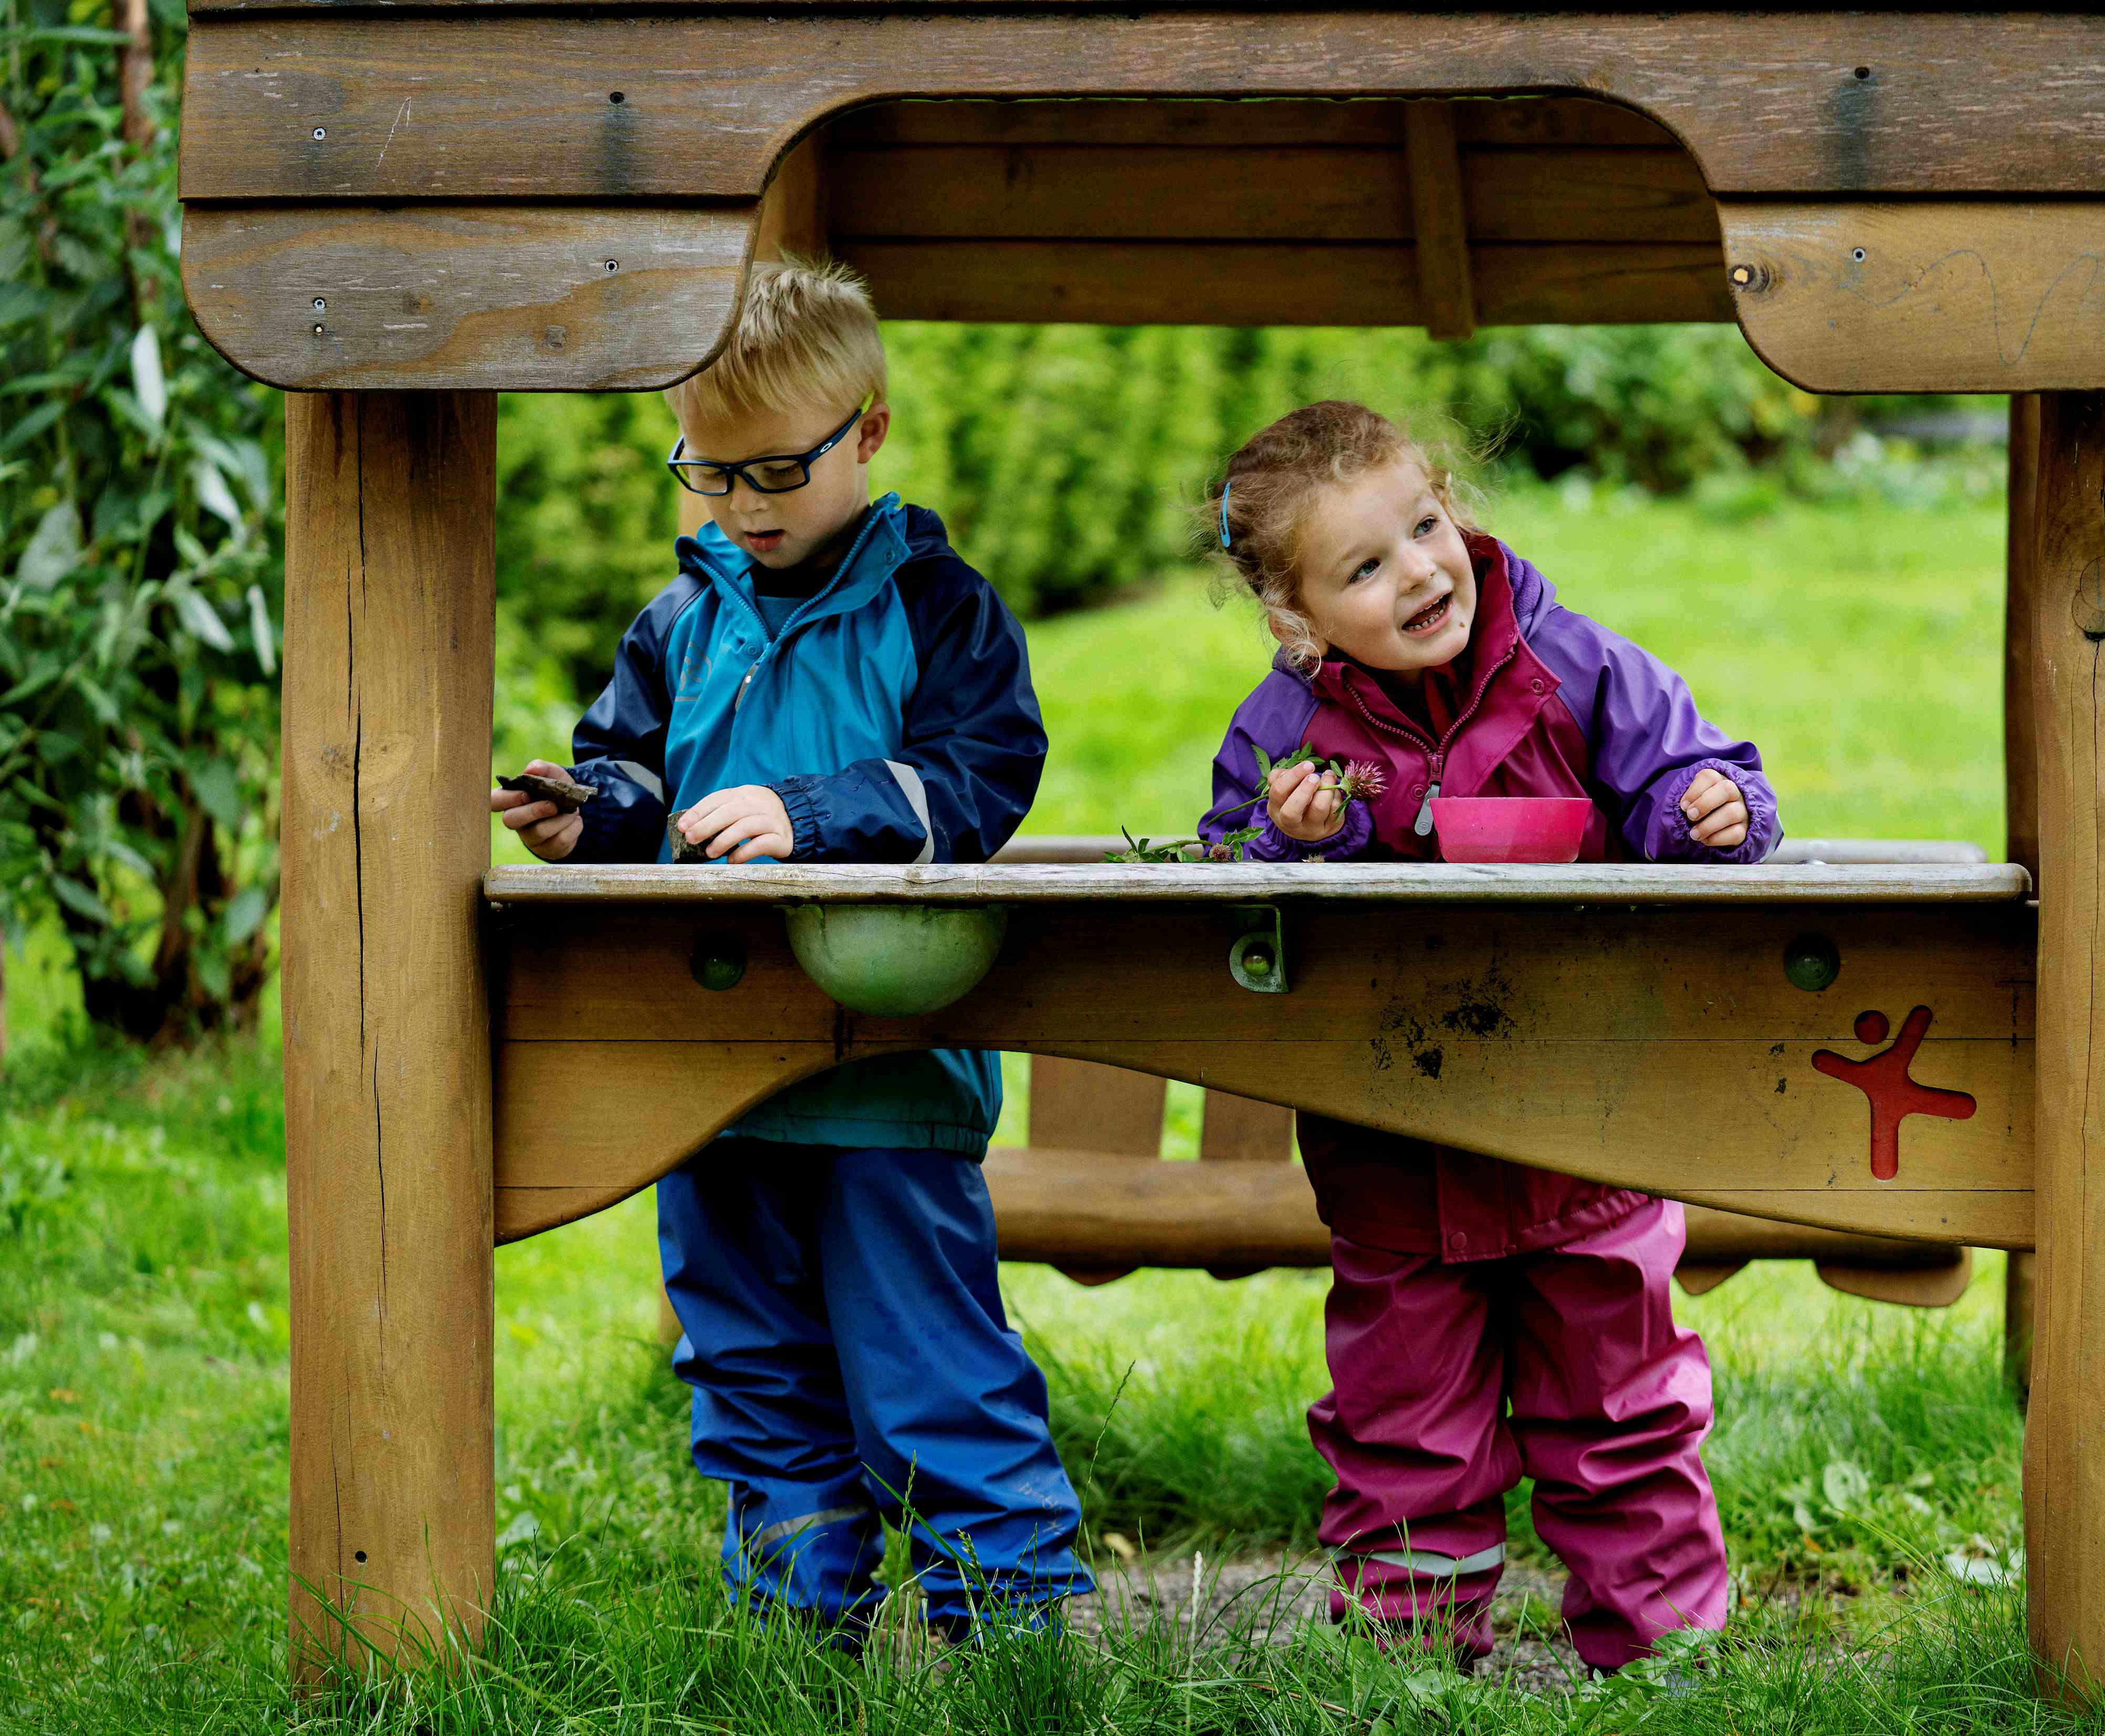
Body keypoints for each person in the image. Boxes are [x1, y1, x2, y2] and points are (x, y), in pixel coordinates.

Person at [490, 256, 1088, 1643]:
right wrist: (590, 819)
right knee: (749, 1373)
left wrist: (811, 813)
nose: (741, 508)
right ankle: (792, 1648)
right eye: (708, 476)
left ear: (866, 432)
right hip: (704, 1078)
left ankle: (1015, 1641)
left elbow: (985, 777)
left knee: (933, 1375)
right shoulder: (677, 622)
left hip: (885, 1077)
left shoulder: (939, 607)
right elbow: (635, 779)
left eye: (774, 472)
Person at [1197, 400, 1777, 1672]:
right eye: (1364, 566)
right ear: (1297, 617)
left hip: (1586, 1137)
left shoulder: (1571, 665)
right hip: (1393, 1147)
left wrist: (1708, 809)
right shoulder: (1289, 730)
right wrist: (1294, 839)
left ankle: (1662, 1654)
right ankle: (1406, 1663)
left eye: (1424, 526)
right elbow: (1227, 874)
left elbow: (1695, 771)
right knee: (1406, 1425)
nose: (1418, 571)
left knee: (1620, 1410)